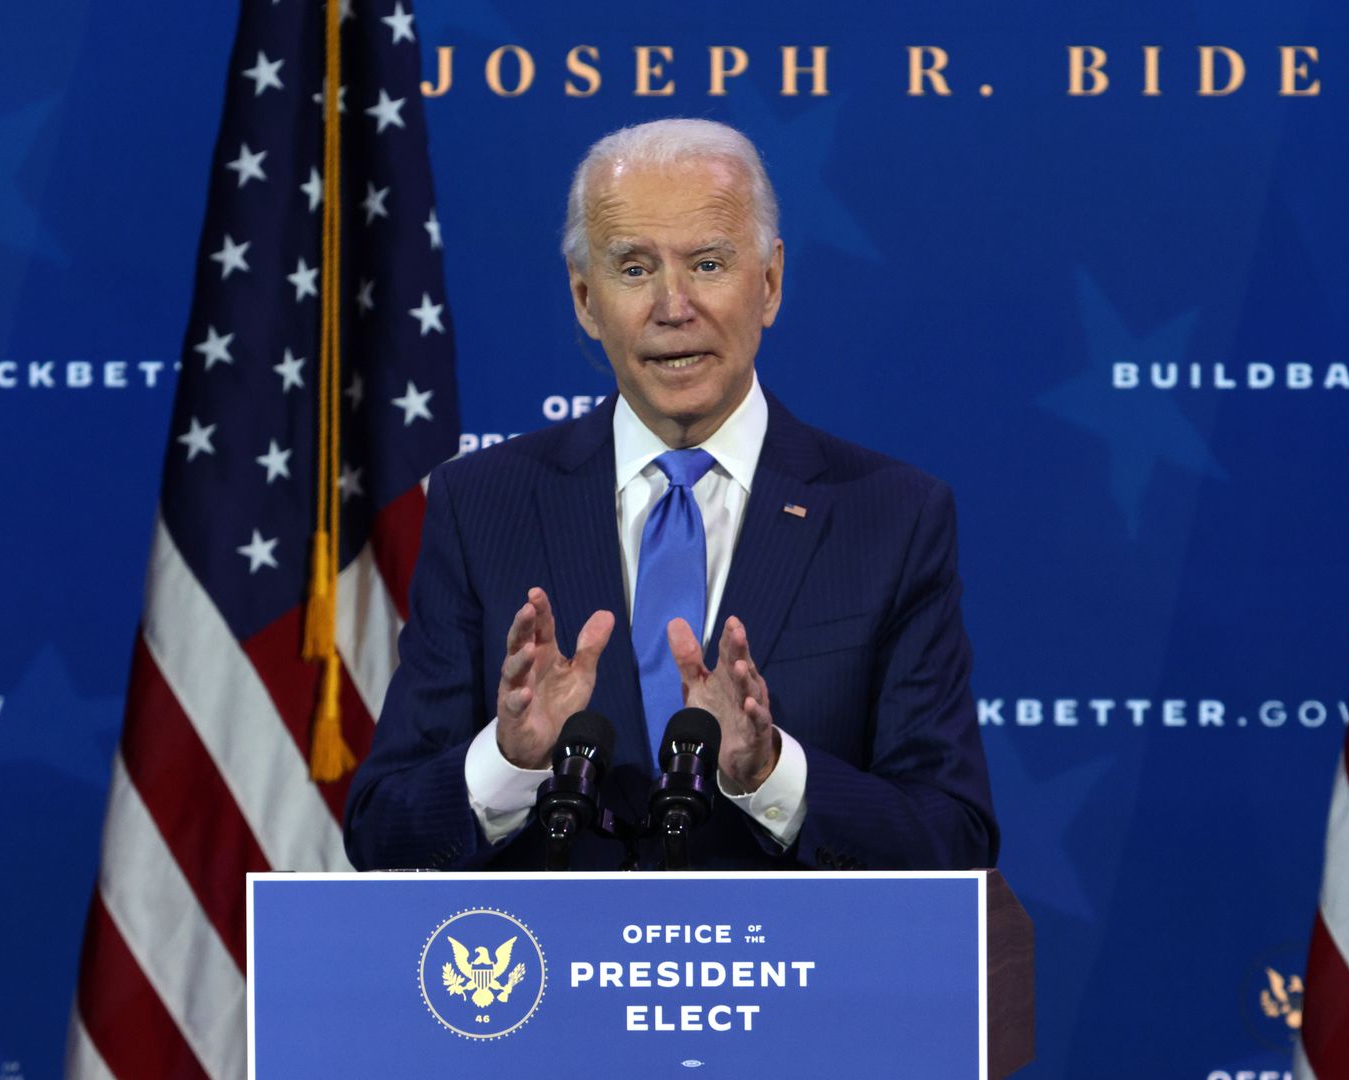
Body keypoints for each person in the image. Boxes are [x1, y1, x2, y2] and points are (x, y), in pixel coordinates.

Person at [344, 119, 997, 871]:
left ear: (770, 283)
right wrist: (511, 760)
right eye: (633, 268)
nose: (673, 305)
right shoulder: (482, 503)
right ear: (585, 298)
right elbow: (381, 831)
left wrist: (771, 774)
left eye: (708, 264)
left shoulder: (889, 517)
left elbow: (953, 839)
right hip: (553, 949)